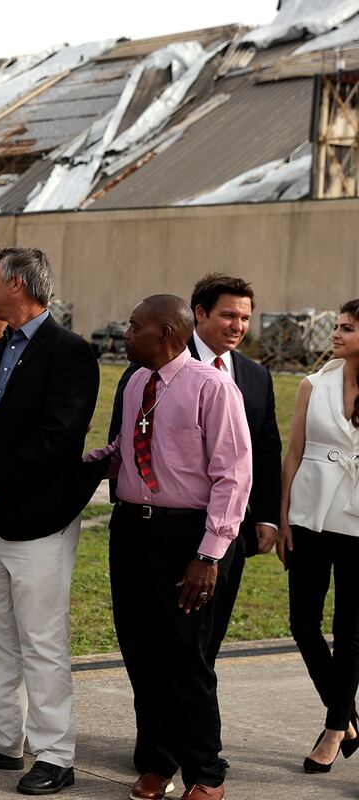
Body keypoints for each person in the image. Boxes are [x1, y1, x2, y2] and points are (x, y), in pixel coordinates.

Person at [0, 247, 98, 795]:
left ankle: (56, 754)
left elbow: (59, 436)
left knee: (42, 641)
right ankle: (3, 740)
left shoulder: (71, 353)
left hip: (37, 521)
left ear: (17, 285)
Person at [85, 294, 251, 800]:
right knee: (141, 653)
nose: (126, 334)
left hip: (187, 539)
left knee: (186, 659)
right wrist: (81, 461)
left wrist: (209, 555)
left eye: (135, 327)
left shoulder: (213, 387)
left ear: (167, 334)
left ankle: (205, 773)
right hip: (133, 532)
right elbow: (126, 446)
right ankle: (156, 762)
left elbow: (233, 475)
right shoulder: (137, 381)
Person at [108, 274, 281, 669]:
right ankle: (159, 729)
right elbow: (123, 444)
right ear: (199, 314)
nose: (238, 326)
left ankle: (191, 727)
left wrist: (268, 516)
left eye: (245, 318)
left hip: (222, 535)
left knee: (203, 648)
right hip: (152, 531)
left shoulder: (254, 376)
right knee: (155, 646)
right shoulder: (148, 367)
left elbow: (264, 453)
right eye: (228, 315)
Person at [278, 299, 359, 773]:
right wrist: (284, 516)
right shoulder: (314, 384)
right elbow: (293, 452)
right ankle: (348, 715)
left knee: (351, 633)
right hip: (309, 517)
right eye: (336, 326)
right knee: (303, 623)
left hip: (358, 525)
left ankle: (333, 730)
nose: (336, 333)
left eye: (346, 328)